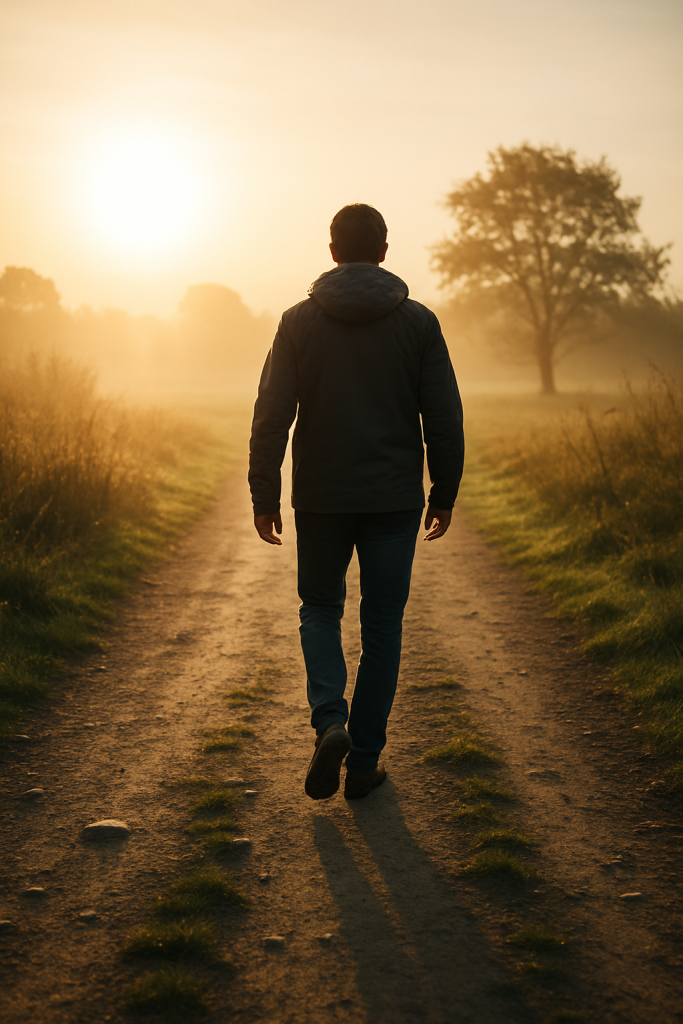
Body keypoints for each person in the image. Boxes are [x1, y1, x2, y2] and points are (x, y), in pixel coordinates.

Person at [248, 204, 464, 801]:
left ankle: (330, 723)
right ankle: (363, 763)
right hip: (393, 499)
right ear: (385, 251)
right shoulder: (419, 324)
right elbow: (443, 418)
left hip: (321, 497)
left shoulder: (297, 322)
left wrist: (265, 490)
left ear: (334, 251)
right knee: (382, 626)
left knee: (319, 609)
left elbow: (271, 414)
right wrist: (443, 491)